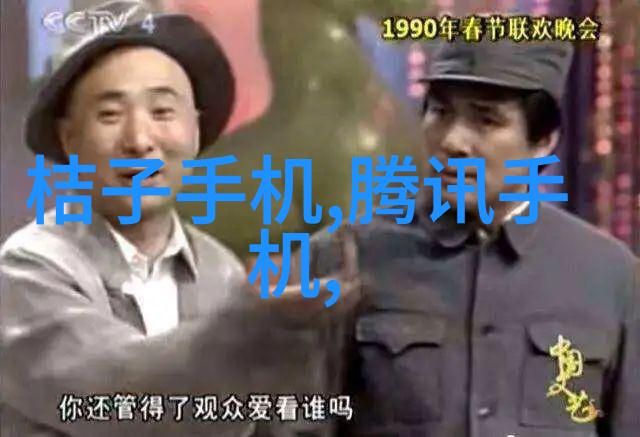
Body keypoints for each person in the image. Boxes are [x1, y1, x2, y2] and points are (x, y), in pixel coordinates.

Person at [0, 4, 357, 436]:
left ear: (195, 130)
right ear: (69, 138)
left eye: (163, 112)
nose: (139, 140)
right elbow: (114, 402)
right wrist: (247, 332)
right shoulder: (28, 269)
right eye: (110, 115)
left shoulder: (221, 271)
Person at [310, 38, 639, 436]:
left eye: (486, 120)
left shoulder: (611, 277)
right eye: (440, 112)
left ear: (543, 142)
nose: (452, 141)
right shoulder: (346, 256)